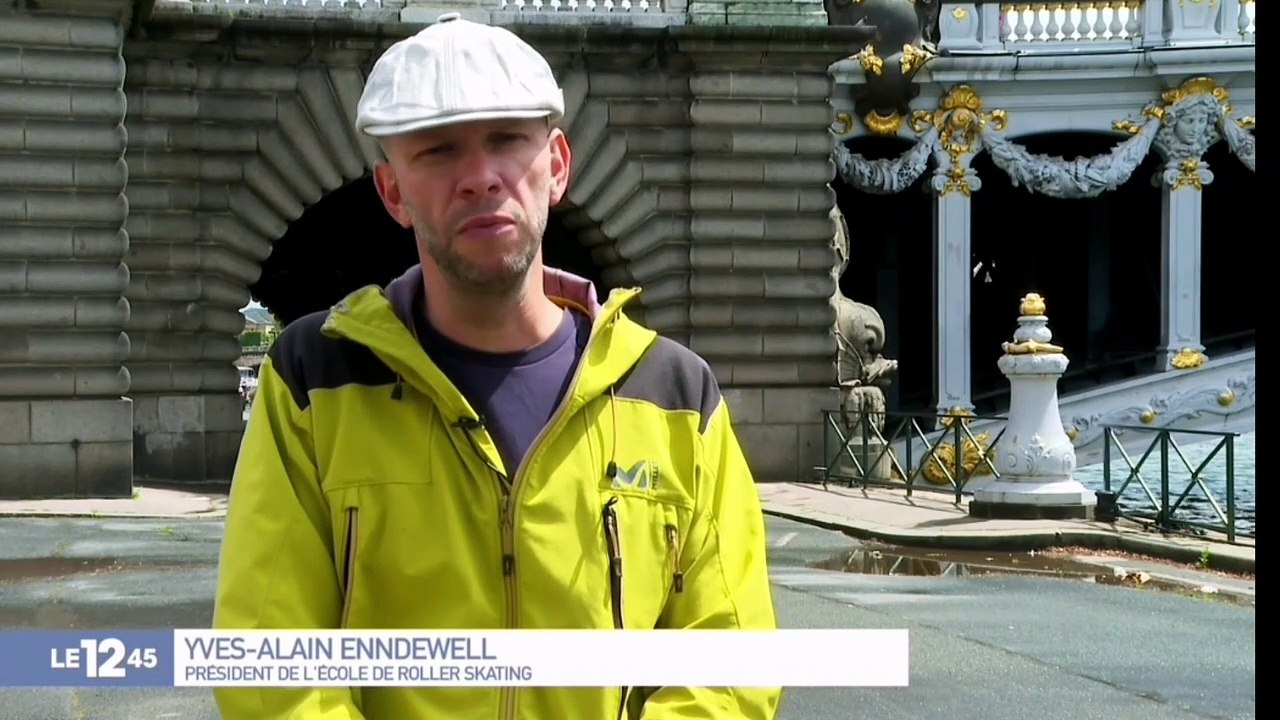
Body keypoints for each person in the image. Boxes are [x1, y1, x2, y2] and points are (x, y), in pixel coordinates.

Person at [212, 12, 780, 720]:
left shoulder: (675, 393)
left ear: (558, 165)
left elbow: (729, 661)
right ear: (393, 192)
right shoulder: (312, 379)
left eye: (507, 140)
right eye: (439, 152)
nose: (480, 178)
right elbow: (273, 663)